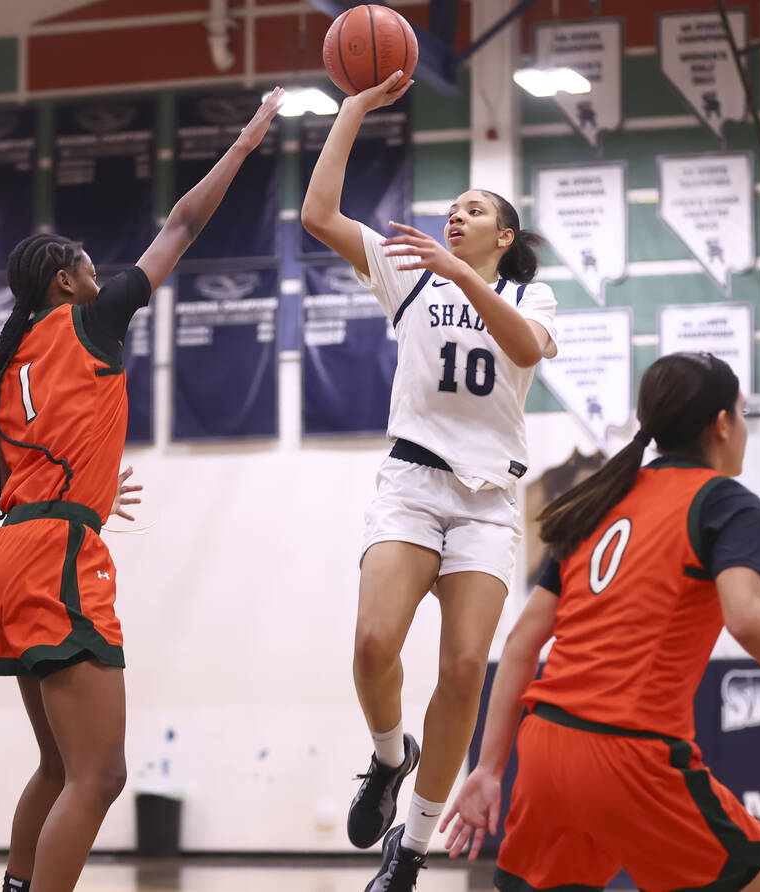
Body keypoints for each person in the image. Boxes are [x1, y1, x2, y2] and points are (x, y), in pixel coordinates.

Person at [0, 89, 283, 892]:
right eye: (88, 261)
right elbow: (181, 227)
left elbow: (33, 455)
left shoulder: (10, 356)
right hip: (53, 552)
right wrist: (244, 142)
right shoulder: (90, 322)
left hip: (12, 544)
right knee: (99, 777)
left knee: (59, 765)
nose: (102, 267)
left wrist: (89, 491)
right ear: (66, 280)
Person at [440, 352, 760, 892]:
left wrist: (490, 770)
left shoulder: (599, 499)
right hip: (630, 753)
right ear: (723, 424)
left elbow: (522, 643)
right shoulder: (725, 503)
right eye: (743, 413)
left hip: (545, 750)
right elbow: (748, 621)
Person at [301, 71, 558, 892]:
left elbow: (522, 348)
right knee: (374, 644)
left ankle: (410, 849)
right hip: (411, 482)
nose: (456, 213)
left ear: (505, 238)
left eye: (475, 209)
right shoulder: (409, 271)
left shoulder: (528, 291)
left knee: (463, 670)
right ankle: (387, 758)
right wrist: (352, 110)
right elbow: (317, 215)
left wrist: (459, 272)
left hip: (486, 501)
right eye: (453, 205)